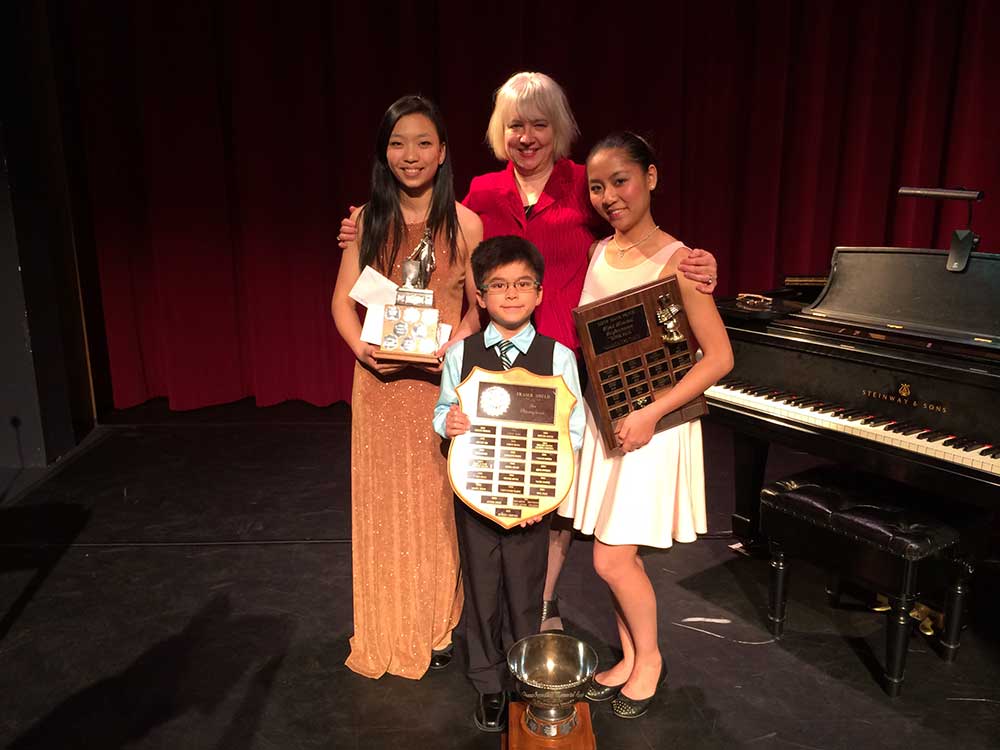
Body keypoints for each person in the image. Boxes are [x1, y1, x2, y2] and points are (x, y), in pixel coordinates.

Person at [338, 72, 720, 631]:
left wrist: (699, 262)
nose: (527, 136)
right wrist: (358, 229)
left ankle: (539, 602)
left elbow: (635, 235)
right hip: (495, 364)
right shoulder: (481, 193)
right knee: (495, 473)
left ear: (558, 128)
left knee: (554, 488)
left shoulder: (586, 185)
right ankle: (490, 602)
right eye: (515, 125)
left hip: (567, 359)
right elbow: (441, 246)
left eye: (540, 123)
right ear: (501, 132)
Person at [557, 132, 733, 719]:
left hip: (651, 427)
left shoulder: (681, 263)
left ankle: (651, 659)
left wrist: (650, 414)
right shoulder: (597, 253)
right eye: (597, 187)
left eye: (621, 181)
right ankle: (630, 656)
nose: (609, 196)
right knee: (614, 551)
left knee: (610, 557)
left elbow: (718, 358)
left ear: (652, 177)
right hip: (609, 418)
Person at [331, 95, 483, 680]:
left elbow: (475, 310)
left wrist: (454, 347)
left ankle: (437, 623)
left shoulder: (465, 223)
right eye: (398, 143)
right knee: (381, 504)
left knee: (434, 507)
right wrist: (360, 348)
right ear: (383, 153)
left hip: (436, 386)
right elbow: (343, 302)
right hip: (377, 385)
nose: (410, 155)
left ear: (443, 153)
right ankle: (386, 625)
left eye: (423, 142)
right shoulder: (367, 219)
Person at [433, 235, 585, 733]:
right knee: (480, 591)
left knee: (524, 594)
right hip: (475, 496)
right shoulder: (463, 353)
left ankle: (525, 680)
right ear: (480, 296)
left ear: (540, 293)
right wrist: (447, 424)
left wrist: (549, 493)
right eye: (498, 285)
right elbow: (442, 410)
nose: (512, 294)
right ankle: (489, 684)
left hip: (532, 500)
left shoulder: (558, 356)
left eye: (523, 284)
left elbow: (574, 430)